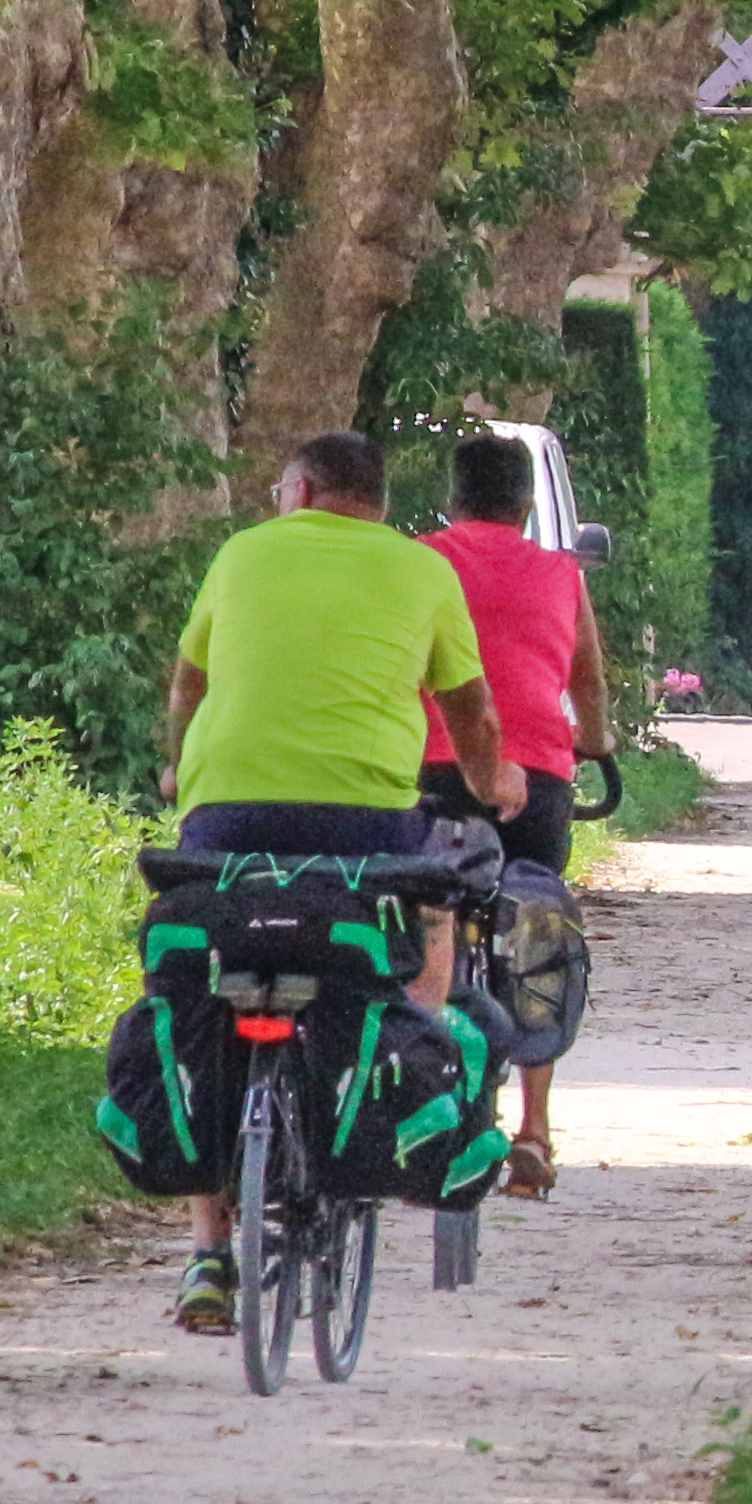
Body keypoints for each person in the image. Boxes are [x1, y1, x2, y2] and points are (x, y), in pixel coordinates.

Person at [159, 430, 526, 1332]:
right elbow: (471, 711)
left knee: (201, 988)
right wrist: (492, 785)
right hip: (362, 825)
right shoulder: (422, 572)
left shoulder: (241, 554)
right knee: (429, 921)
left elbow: (187, 685)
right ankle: (413, 1055)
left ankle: (209, 1251)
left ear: (303, 489)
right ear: (377, 501)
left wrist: (178, 775)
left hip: (226, 823)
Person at [416, 433, 615, 1198]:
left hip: (434, 767)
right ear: (527, 505)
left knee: (426, 907)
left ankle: (425, 1093)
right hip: (535, 773)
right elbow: (587, 679)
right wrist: (594, 743)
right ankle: (533, 1128)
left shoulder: (425, 561)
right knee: (534, 924)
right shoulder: (560, 572)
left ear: (453, 498)